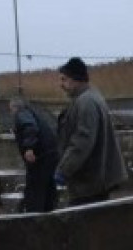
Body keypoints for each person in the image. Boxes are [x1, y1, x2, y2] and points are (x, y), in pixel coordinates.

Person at [54, 57, 128, 207]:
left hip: (90, 181)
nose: (61, 84)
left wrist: (64, 170)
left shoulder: (86, 102)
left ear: (75, 79)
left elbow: (82, 141)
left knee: (82, 224)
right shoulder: (89, 97)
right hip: (93, 178)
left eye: (64, 79)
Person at [10, 97, 60, 212]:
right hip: (52, 154)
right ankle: (49, 214)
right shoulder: (36, 113)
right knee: (48, 187)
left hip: (40, 157)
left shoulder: (22, 113)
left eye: (11, 110)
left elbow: (30, 127)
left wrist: (28, 148)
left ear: (14, 108)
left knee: (35, 189)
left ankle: (34, 217)